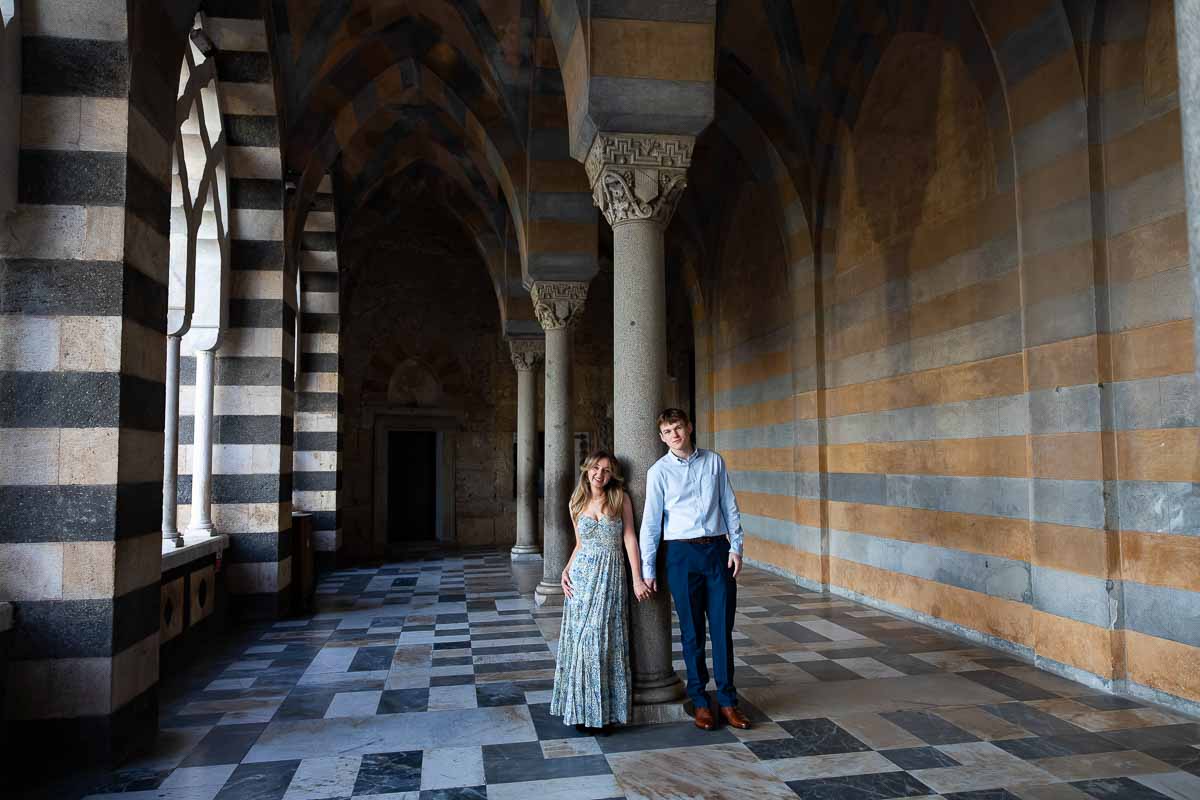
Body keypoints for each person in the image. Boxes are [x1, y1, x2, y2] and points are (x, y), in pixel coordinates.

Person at [640, 408, 751, 731]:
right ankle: (701, 702)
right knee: (692, 633)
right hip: (680, 554)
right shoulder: (658, 472)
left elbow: (729, 505)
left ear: (689, 428)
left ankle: (728, 701)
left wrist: (736, 547)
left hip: (717, 551)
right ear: (661, 437)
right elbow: (650, 523)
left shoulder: (714, 462)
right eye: (667, 431)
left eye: (678, 427)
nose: (674, 434)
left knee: (722, 629)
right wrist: (648, 568)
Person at [550, 450, 652, 732]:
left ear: (612, 475)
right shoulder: (576, 501)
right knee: (580, 643)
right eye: (596, 468)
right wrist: (565, 570)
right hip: (581, 577)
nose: (600, 474)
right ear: (587, 469)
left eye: (606, 470)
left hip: (610, 575)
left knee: (602, 642)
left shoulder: (620, 498)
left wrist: (637, 579)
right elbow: (580, 544)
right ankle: (582, 711)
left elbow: (630, 539)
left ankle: (603, 714)